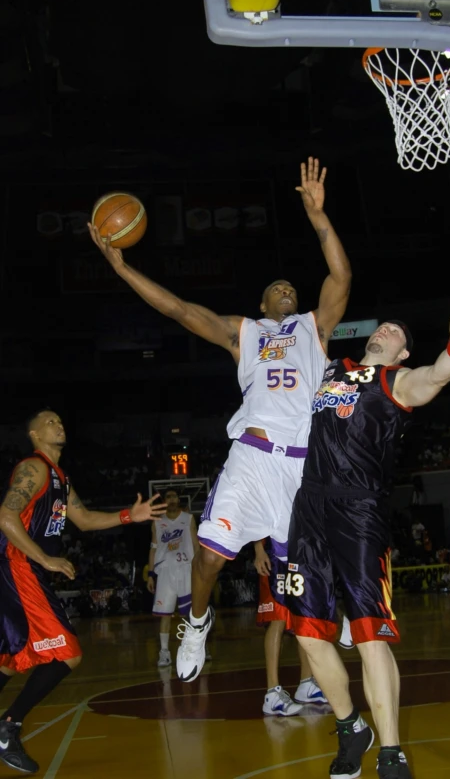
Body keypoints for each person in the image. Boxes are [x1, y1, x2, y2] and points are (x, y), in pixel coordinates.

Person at [88, 156, 352, 687]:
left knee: (303, 573)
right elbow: (180, 310)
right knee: (208, 559)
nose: (286, 291)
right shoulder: (244, 333)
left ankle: (337, 614)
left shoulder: (314, 327)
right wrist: (122, 269)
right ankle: (197, 623)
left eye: (290, 288)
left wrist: (319, 218)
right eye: (276, 288)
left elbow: (340, 275)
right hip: (252, 458)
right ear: (260, 302)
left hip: (302, 468)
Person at [284, 291, 450, 779]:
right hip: (308, 506)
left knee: (368, 633)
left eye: (396, 332)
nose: (385, 330)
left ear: (402, 354)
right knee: (308, 633)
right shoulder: (331, 370)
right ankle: (350, 726)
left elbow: (435, 377)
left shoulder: (395, 381)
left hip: (359, 512)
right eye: (383, 326)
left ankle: (392, 751)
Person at [0, 410, 165, 774]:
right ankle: (8, 727)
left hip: (26, 567)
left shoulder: (60, 477)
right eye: (49, 421)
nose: (58, 424)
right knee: (68, 654)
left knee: (13, 658)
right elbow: (6, 517)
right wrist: (46, 558)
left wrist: (128, 516)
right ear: (33, 433)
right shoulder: (35, 468)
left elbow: (85, 518)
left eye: (60, 420)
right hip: (21, 565)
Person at [254, 539, 326, 714]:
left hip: (297, 554)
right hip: (273, 553)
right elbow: (256, 516)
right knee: (277, 618)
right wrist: (258, 550)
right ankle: (272, 693)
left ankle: (306, 684)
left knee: (304, 617)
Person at [147, 489, 200, 667]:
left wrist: (198, 568)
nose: (171, 500)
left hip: (186, 569)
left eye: (174, 496)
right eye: (168, 497)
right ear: (164, 500)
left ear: (179, 499)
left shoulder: (189, 519)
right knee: (165, 614)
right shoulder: (157, 522)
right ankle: (164, 652)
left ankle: (196, 649)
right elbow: (153, 548)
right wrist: (150, 574)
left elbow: (196, 545)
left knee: (191, 614)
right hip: (165, 572)